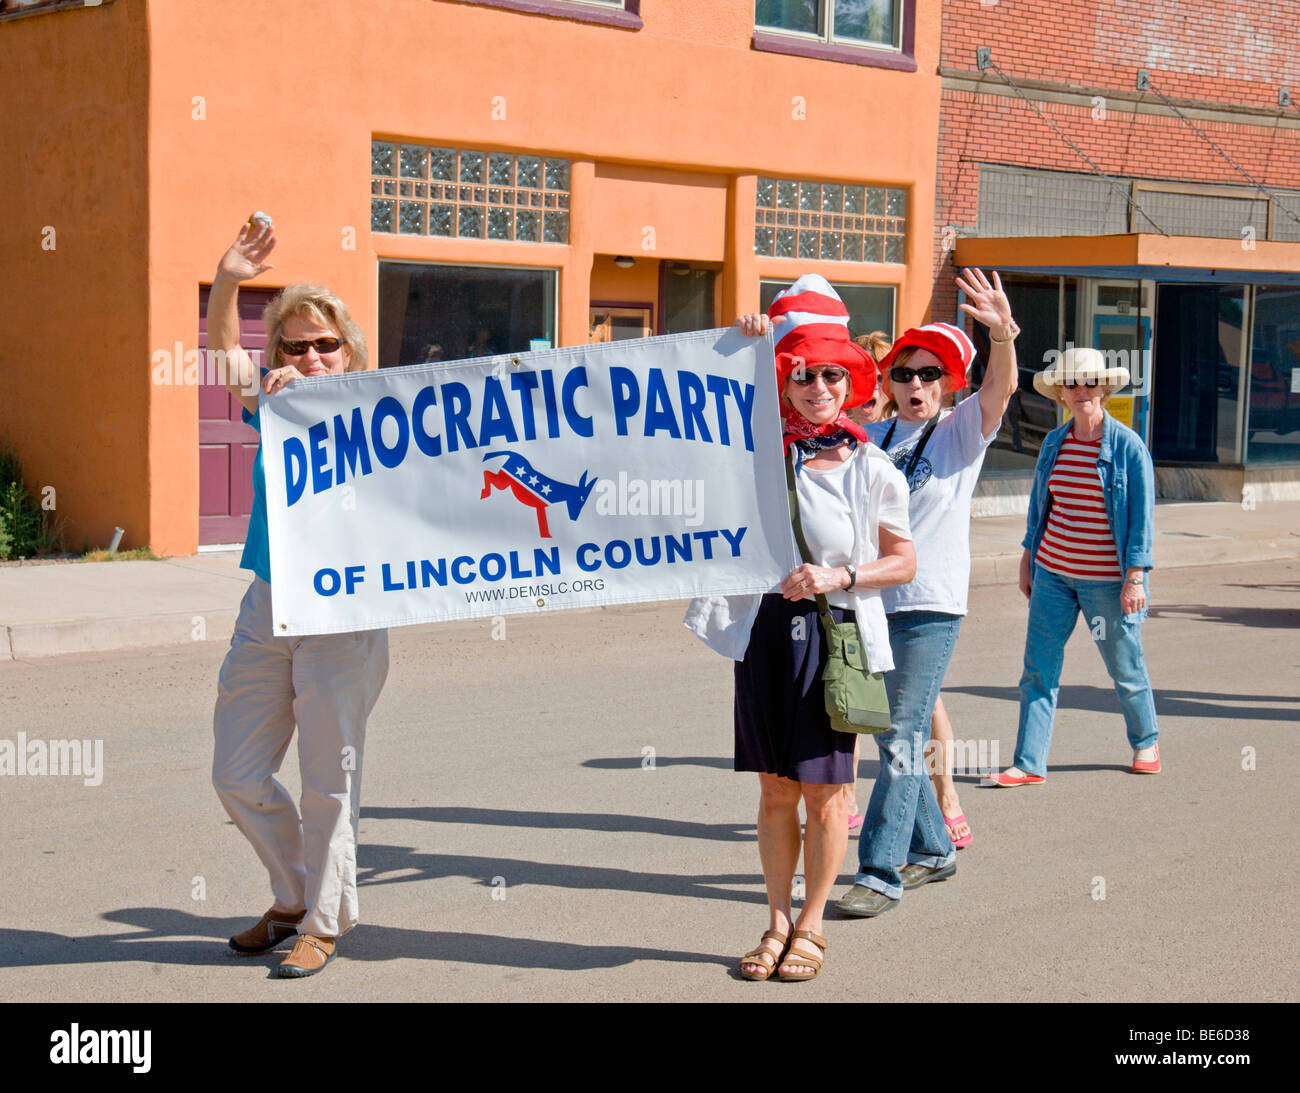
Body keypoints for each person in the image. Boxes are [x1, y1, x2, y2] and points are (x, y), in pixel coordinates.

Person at [685, 275, 915, 981]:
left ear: (851, 381)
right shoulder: (753, 449)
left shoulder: (874, 467)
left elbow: (903, 562)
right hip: (762, 633)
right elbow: (695, 413)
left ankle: (812, 923)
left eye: (830, 373)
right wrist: (746, 344)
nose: (817, 384)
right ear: (781, 381)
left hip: (833, 634)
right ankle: (775, 917)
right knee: (776, 789)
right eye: (801, 372)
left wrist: (838, 576)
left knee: (826, 793)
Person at [207, 216, 390, 978]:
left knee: (327, 777)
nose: (312, 356)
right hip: (269, 601)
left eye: (326, 343)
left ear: (347, 348)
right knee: (236, 771)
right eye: (295, 345)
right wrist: (226, 281)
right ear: (277, 353)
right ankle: (293, 894)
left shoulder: (389, 412)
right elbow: (222, 364)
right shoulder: (273, 404)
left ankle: (321, 920)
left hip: (344, 614)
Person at [836, 267, 1019, 919]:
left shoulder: (960, 431)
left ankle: (880, 871)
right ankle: (933, 847)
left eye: (929, 374)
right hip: (871, 605)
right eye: (905, 372)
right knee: (892, 736)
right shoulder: (877, 437)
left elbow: (1001, 389)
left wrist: (1000, 333)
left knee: (905, 732)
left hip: (931, 604)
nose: (915, 384)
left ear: (948, 384)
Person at [986, 347, 1159, 786]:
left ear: (1103, 388)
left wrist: (1135, 577)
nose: (1081, 390)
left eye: (1089, 382)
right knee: (1038, 669)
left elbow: (1141, 518)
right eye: (1071, 383)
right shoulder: (1054, 443)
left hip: (1106, 581)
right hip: (1054, 575)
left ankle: (1146, 741)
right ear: (1061, 393)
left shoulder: (1127, 447)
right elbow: (1040, 507)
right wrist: (1028, 559)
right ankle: (1028, 763)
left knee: (1124, 666)